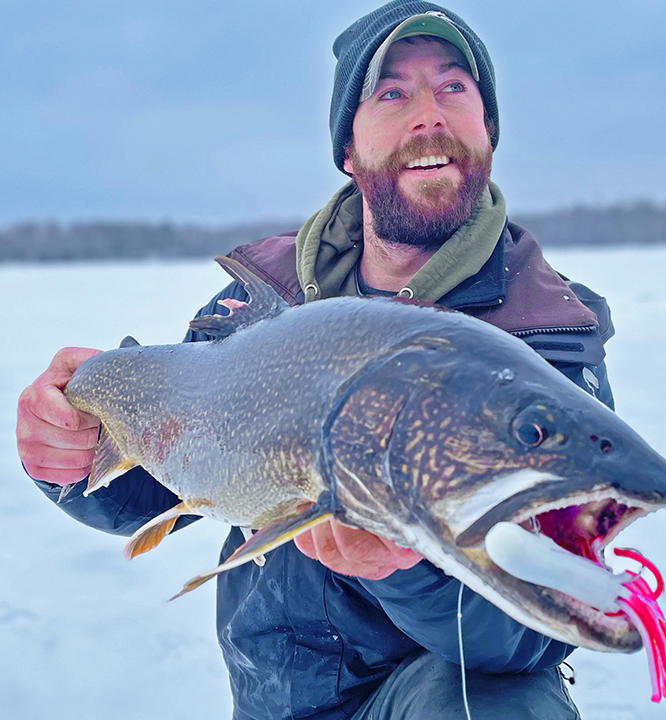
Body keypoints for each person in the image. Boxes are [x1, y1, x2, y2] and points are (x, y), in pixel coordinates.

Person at [16, 2, 615, 718]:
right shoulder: (257, 306)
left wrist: (411, 568)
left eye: (455, 87)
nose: (429, 115)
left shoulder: (545, 336)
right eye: (392, 93)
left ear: (486, 128)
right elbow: (154, 488)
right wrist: (68, 453)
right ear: (348, 149)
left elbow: (533, 637)